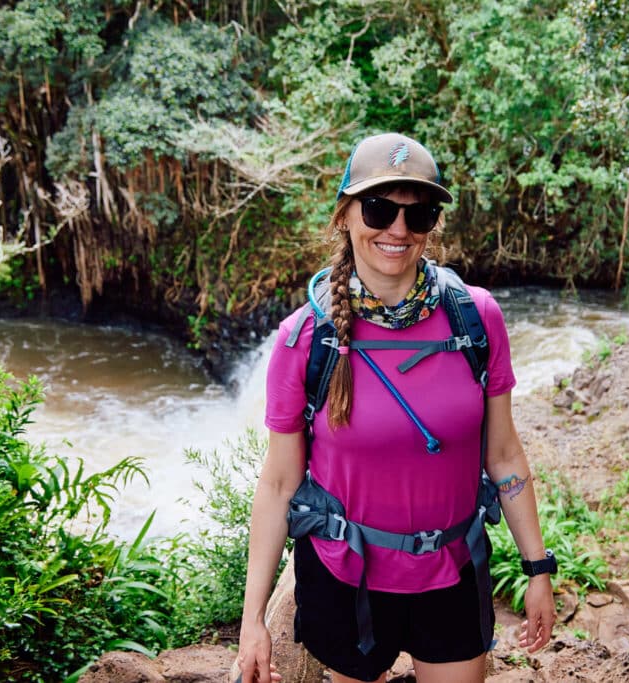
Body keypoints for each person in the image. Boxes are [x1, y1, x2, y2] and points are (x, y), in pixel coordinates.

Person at [236, 133, 556, 683]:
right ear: (345, 215)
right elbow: (278, 484)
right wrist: (253, 619)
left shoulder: (476, 320)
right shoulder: (304, 339)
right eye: (380, 208)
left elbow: (503, 454)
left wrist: (537, 568)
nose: (399, 230)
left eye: (420, 213)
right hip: (346, 577)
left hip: (452, 573)